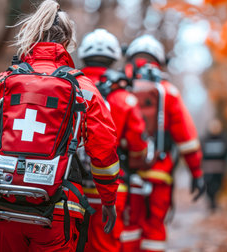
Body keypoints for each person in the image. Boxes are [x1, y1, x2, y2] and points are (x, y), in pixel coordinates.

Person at [0, 1, 119, 251]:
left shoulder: (0, 83)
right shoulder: (84, 89)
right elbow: (104, 152)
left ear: (33, 35)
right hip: (58, 207)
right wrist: (108, 200)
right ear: (68, 40)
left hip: (5, 201)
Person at [125, 34, 206, 252]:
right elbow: (186, 138)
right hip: (159, 175)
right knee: (155, 229)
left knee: (128, 228)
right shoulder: (168, 92)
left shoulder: (120, 87)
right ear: (159, 62)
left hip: (125, 174)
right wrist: (196, 173)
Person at [77, 29, 148, 252]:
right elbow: (138, 144)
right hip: (111, 188)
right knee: (106, 244)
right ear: (115, 58)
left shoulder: (68, 88)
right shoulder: (124, 97)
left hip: (70, 186)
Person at [201, 119, 227, 211]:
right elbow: (201, 151)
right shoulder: (205, 139)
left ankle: (214, 201)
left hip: (220, 167)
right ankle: (211, 202)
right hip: (208, 167)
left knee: (218, 185)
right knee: (208, 186)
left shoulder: (224, 138)